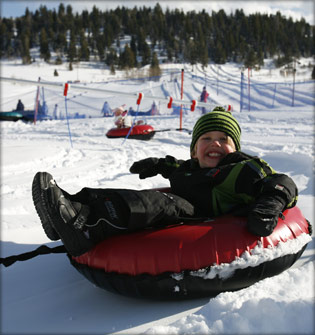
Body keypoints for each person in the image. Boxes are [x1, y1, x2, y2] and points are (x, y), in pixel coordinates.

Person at [32, 106, 298, 257]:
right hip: (187, 204)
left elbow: (281, 182)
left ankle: (86, 226)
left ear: (236, 147)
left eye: (223, 139)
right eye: (206, 139)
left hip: (207, 216)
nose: (214, 143)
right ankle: (71, 208)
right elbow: (177, 167)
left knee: (158, 203)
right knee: (128, 195)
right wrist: (158, 165)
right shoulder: (192, 167)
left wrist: (271, 202)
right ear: (194, 149)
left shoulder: (245, 169)